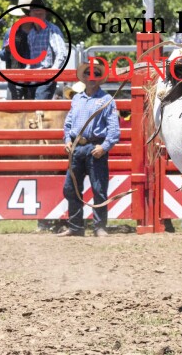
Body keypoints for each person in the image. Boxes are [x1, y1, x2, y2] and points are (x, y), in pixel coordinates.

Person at [58, 59, 120, 237]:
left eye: (96, 74)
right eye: (88, 73)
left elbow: (114, 129)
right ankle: (75, 227)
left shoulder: (107, 100)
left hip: (95, 148)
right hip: (77, 148)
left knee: (99, 189)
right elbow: (68, 124)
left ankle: (99, 227)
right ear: (84, 77)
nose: (92, 77)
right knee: (71, 188)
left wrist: (104, 147)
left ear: (100, 78)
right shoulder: (77, 99)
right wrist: (67, 140)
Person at [26, 0, 67, 100]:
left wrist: (53, 71)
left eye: (40, 12)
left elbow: (61, 53)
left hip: (46, 75)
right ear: (30, 14)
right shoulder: (31, 33)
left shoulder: (52, 30)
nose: (38, 14)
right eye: (35, 12)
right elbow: (32, 58)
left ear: (45, 13)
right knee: (30, 106)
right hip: (33, 76)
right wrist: (26, 71)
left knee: (39, 104)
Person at [0, 0, 34, 100]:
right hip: (15, 77)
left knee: (33, 107)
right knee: (13, 107)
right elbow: (2, 56)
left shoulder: (39, 32)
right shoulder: (11, 32)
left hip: (34, 78)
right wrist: (7, 50)